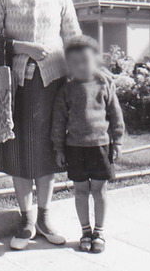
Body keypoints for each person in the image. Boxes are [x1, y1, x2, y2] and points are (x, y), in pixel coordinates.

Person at [0, 0, 82, 250]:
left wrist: (87, 71)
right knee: (21, 151)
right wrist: (24, 47)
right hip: (18, 85)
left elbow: (73, 36)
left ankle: (45, 217)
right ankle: (26, 221)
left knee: (49, 150)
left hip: (54, 82)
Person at [51, 35, 125, 253]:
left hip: (100, 146)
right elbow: (58, 121)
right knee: (81, 191)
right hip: (75, 148)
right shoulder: (66, 90)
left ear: (96, 60)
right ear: (68, 65)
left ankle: (99, 232)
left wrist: (118, 141)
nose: (81, 66)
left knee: (100, 191)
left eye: (85, 60)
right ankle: (85, 231)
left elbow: (115, 115)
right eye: (75, 62)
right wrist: (59, 148)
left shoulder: (104, 84)